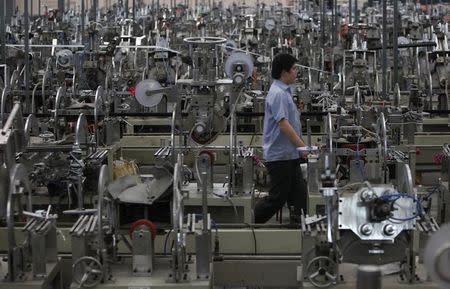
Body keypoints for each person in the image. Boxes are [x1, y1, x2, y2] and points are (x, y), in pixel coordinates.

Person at [254, 53, 308, 223]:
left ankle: (297, 228)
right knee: (278, 197)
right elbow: (284, 125)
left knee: (299, 195)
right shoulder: (277, 94)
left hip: (289, 155)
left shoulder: (285, 92)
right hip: (280, 156)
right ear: (284, 72)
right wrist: (303, 147)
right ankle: (251, 221)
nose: (295, 72)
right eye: (293, 69)